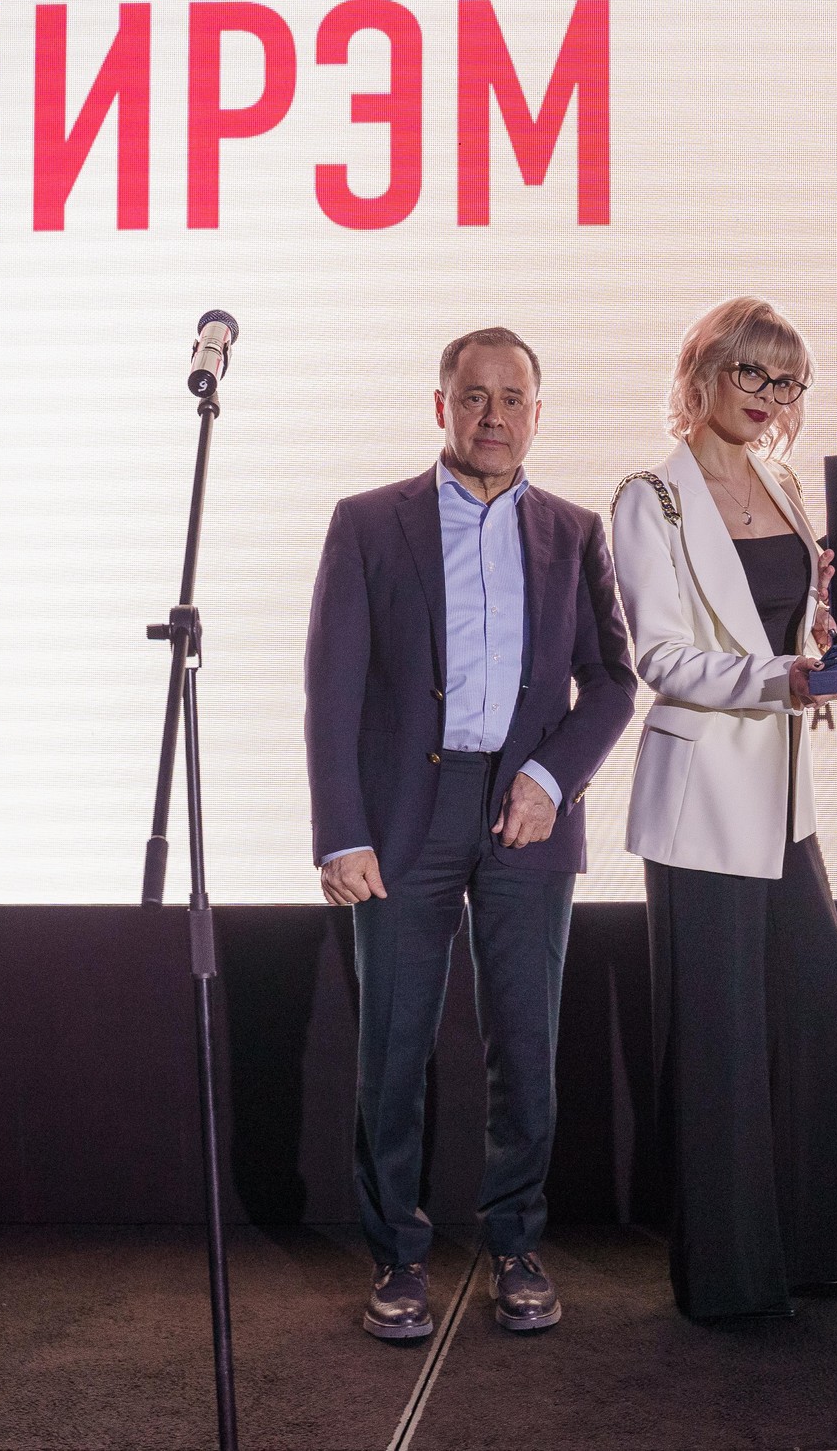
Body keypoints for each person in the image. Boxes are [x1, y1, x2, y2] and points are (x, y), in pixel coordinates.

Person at [305, 328, 636, 1339]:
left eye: (512, 398)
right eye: (474, 396)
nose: (494, 416)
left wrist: (550, 777)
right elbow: (332, 688)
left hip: (526, 816)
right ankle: (397, 1256)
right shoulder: (369, 523)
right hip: (406, 815)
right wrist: (340, 832)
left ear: (537, 413)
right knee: (393, 1047)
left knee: (524, 1044)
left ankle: (515, 1245)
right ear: (440, 406)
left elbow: (612, 682)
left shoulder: (574, 532)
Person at [609, 295, 837, 1322]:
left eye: (787, 380)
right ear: (704, 371)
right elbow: (662, 658)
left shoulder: (784, 482)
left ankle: (812, 1248)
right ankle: (727, 1276)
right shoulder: (650, 499)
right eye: (752, 372)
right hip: (701, 799)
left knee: (817, 996)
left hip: (781, 794)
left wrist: (821, 632)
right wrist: (780, 678)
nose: (769, 396)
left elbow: (786, 629)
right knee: (719, 1036)